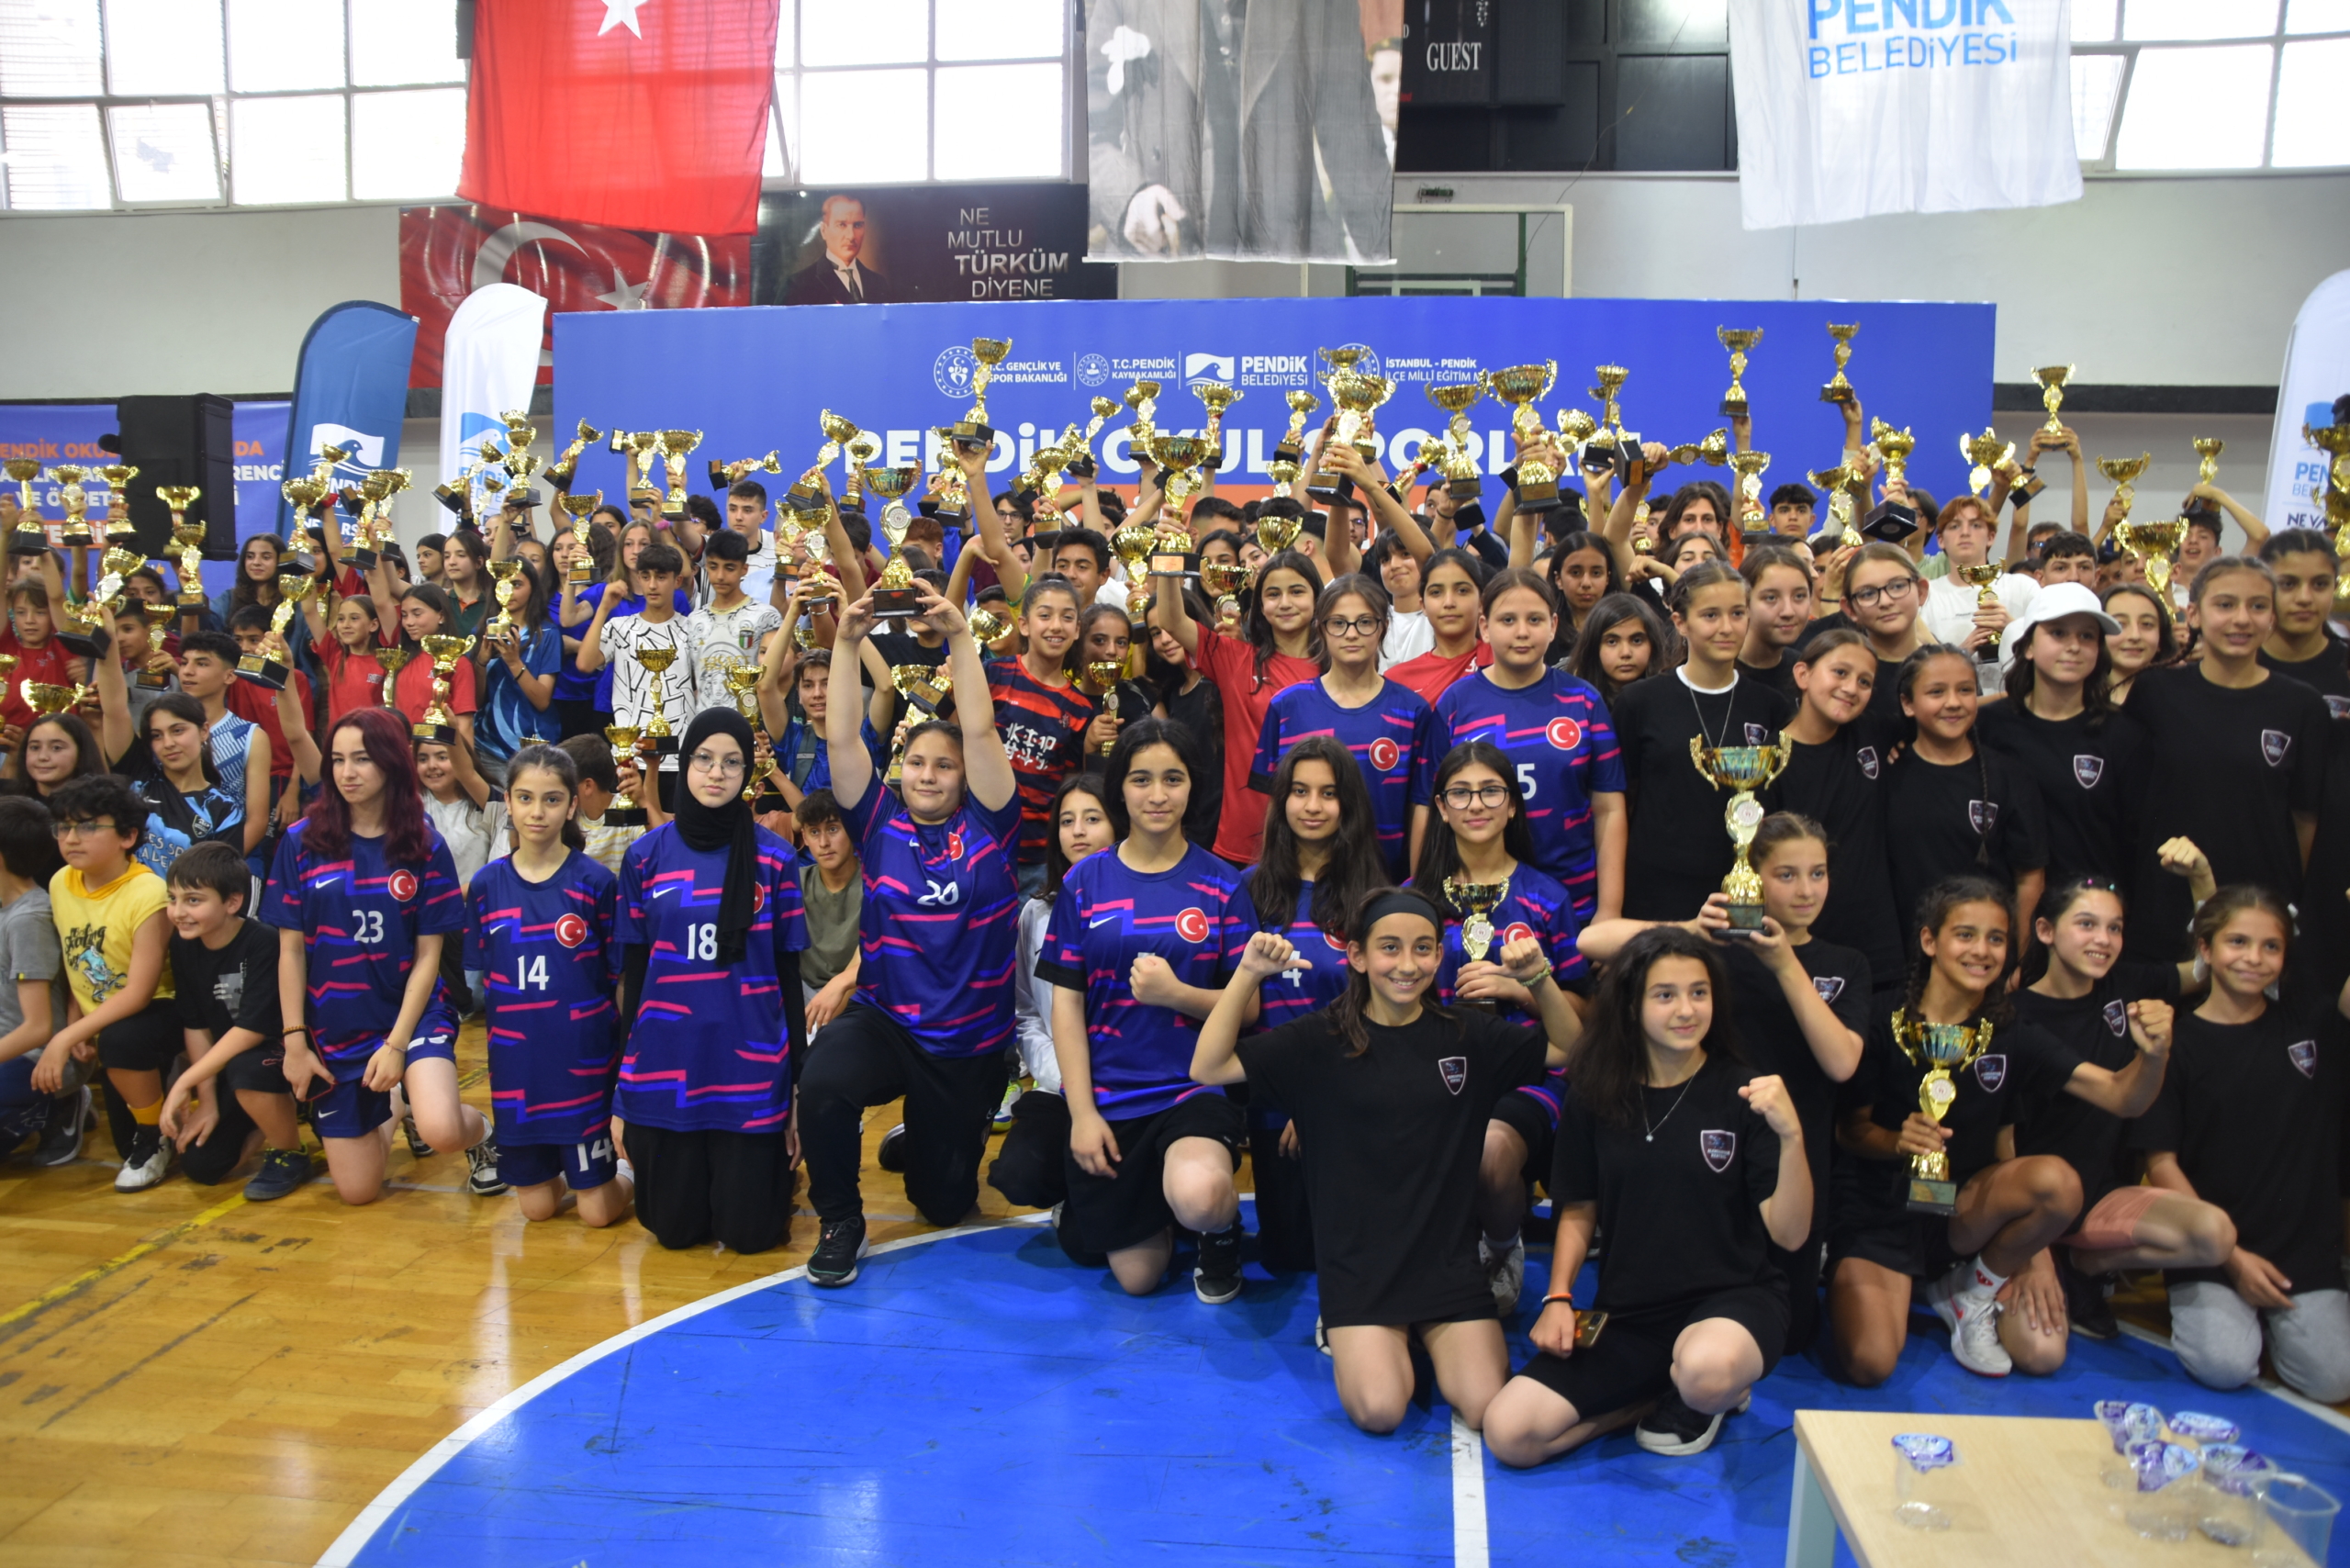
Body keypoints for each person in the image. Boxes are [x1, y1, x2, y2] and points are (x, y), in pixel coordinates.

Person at [1191, 890, 1580, 1433]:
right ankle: (1381, 1334)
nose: (1407, 964)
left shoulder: (1467, 1036)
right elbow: (1208, 1067)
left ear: (1439, 956)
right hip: (1360, 1270)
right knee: (1380, 1411)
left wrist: (1538, 978)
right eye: (1390, 948)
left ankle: (1424, 1331)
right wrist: (1248, 974)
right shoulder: (1318, 1039)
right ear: (1357, 955)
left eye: (1422, 948)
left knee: (1483, 1406)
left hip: (1446, 1263)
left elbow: (1570, 1049)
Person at [1483, 926, 1812, 1465]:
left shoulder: (1744, 1092)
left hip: (1733, 1304)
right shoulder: (1596, 1094)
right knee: (1510, 1433)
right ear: (1632, 1005)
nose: (1686, 1009)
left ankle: (1708, 1391)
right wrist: (1559, 1297)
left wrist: (1793, 1136)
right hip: (1631, 1314)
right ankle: (1658, 1397)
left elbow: (1791, 1235)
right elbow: (1578, 1207)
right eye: (1665, 995)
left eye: (1699, 992)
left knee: (1704, 1370)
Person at [1827, 876, 2169, 1384]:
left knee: (2057, 1193)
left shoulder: (2009, 1029)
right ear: (1930, 941)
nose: (1982, 951)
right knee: (1870, 1363)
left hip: (1962, 1214)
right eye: (1965, 935)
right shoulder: (1882, 1017)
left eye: (1996, 938)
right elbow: (1848, 1131)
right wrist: (1897, 1141)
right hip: (1881, 1214)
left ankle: (1971, 1291)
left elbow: (2122, 1096)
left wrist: (2154, 1054)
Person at [1577, 814, 1869, 1356]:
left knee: (1790, 1333)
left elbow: (1841, 1063)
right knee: (1690, 1304)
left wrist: (1785, 963)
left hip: (1792, 1146)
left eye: (1818, 873)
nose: (1806, 890)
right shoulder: (1713, 951)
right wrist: (1691, 928)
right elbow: (1590, 940)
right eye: (1786, 875)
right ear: (1752, 877)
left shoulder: (1845, 962)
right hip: (1706, 1145)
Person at [799, 584, 1017, 1285]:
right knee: (823, 1081)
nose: (929, 774)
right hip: (889, 1021)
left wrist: (960, 636)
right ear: (901, 769)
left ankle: (924, 1134)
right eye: (918, 762)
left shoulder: (992, 825)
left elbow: (980, 730)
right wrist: (845, 638)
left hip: (967, 1043)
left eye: (944, 765)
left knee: (944, 1206)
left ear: (965, 775)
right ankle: (841, 1220)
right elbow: (841, 736)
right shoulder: (877, 823)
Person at [1038, 717, 1248, 1300]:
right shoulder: (1084, 883)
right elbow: (1066, 1006)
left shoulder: (1223, 885)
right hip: (1112, 1097)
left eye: (1173, 779)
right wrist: (1083, 1112)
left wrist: (1176, 994)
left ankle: (1218, 1230)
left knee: (1201, 1197)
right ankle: (1152, 1205)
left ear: (1192, 787)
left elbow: (1248, 1008)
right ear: (1120, 789)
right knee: (1137, 1280)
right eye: (1141, 779)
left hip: (1192, 1089)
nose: (1158, 795)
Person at [263, 710, 503, 1205]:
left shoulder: (424, 845)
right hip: (335, 1024)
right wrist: (294, 1041)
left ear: (392, 763)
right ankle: (396, 1100)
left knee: (441, 1129)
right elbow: (289, 950)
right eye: (337, 760)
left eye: (362, 759)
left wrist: (396, 1044)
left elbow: (429, 956)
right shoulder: (300, 842)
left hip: (411, 1014)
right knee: (357, 1192)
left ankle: (482, 1135)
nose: (346, 772)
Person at [2132, 886, 2350, 1403]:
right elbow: (2161, 1162)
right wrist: (2231, 1258)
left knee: (2335, 1378)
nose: (2254, 958)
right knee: (2224, 1366)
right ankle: (2234, 1316)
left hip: (2302, 1252)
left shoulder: (2310, 1026)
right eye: (2238, 942)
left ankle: (2282, 1327)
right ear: (2205, 949)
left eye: (2271, 946)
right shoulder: (2176, 1044)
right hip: (2214, 1250)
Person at [611, 705, 806, 1251]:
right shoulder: (645, 857)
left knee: (751, 1235)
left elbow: (788, 974)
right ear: (686, 764)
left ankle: (772, 1177)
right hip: (666, 1063)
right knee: (672, 1231)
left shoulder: (776, 859)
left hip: (749, 1065)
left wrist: (797, 1088)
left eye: (731, 762)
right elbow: (633, 975)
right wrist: (622, 1091)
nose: (716, 773)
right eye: (703, 759)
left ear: (747, 773)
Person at [1410, 738, 1591, 1312]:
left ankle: (1502, 1244)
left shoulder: (1546, 897)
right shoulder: (1415, 900)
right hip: (1434, 1069)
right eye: (1460, 793)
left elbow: (1583, 1015)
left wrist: (1525, 988)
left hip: (1533, 1070)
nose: (1476, 805)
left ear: (1513, 804)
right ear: (1441, 808)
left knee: (1491, 1153)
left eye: (1491, 791)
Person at [2014, 871, 2228, 1339]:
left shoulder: (2127, 984)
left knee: (2214, 1235)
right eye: (2087, 924)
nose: (2103, 939)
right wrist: (2031, 1254)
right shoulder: (2014, 1016)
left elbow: (2207, 966)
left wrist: (2202, 883)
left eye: (2114, 928)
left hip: (2098, 1199)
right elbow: (2001, 1147)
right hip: (2029, 1206)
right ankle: (2045, 1260)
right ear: (2045, 931)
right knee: (2042, 1351)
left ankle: (2084, 1265)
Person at [1223, 737, 1389, 1271]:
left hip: (1351, 1090)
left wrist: (1324, 1099)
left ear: (1349, 805)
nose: (1312, 806)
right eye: (1299, 791)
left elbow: (1385, 1012)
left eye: (1328, 793)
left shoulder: (1375, 895)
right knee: (1288, 1257)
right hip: (1271, 1096)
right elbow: (1236, 1010)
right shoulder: (1246, 890)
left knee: (1350, 1254)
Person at [2120, 557, 2329, 962]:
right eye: (2226, 604)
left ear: (2272, 618)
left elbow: (2305, 818)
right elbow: (2132, 803)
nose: (2242, 619)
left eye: (2258, 606)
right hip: (2167, 896)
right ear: (2194, 613)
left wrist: (2290, 897)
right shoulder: (2155, 692)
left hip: (2259, 903)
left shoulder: (2302, 706)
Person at [464, 743, 632, 1229]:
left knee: (597, 1213)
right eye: (525, 798)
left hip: (582, 1065)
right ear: (508, 802)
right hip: (518, 1069)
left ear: (572, 805)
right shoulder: (485, 886)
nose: (537, 812)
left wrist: (627, 1059)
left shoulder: (595, 883)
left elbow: (619, 979)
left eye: (552, 799)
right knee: (536, 1210)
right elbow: (485, 977)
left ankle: (630, 1172)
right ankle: (555, 1171)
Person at [1428, 570, 1626, 924]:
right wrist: (1425, 900)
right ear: (1484, 627)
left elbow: (1608, 810)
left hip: (1573, 901)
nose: (1522, 632)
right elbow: (1429, 806)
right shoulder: (1455, 703)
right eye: (1508, 620)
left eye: (1534, 620)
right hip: (1475, 902)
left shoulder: (1584, 700)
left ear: (1553, 626)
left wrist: (1609, 911)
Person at [1612, 564, 1796, 920]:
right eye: (1710, 615)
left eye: (1737, 613)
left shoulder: (1771, 706)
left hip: (1745, 888)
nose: (1726, 627)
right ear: (1680, 622)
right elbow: (1619, 803)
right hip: (1658, 890)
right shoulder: (1640, 702)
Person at [30, 774, 180, 1191]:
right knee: (119, 1143)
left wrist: (66, 1037)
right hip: (106, 1019)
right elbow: (74, 961)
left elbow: (140, 993)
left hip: (159, 1011)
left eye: (87, 826)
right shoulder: (61, 882)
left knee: (121, 1038)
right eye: (63, 827)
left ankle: (155, 1134)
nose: (70, 838)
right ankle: (155, 1113)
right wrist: (76, 1018)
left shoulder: (148, 892)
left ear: (127, 836)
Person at [989, 773, 1116, 1215]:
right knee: (1019, 1174)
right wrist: (1064, 1077)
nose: (1078, 831)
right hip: (1061, 1084)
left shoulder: (1146, 909)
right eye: (1066, 820)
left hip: (1131, 1083)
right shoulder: (1036, 913)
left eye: (1093, 818)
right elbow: (1025, 1014)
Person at [1250, 576, 1436, 881]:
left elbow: (1422, 806)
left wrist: (1416, 889)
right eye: (1338, 623)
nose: (1352, 634)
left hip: (1385, 880)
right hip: (1303, 883)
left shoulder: (1413, 711)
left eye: (1365, 622)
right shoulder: (1287, 706)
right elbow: (1275, 803)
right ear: (1320, 629)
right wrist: (1272, 879)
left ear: (1383, 627)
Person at [154, 840, 307, 1201]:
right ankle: (263, 1118)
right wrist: (206, 1099)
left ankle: (290, 1151)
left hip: (278, 1052)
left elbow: (252, 1030)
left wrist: (184, 1082)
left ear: (233, 902)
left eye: (193, 900)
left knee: (247, 1068)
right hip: (230, 1061)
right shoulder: (183, 944)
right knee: (202, 1166)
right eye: (173, 899)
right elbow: (196, 1026)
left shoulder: (263, 941)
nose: (178, 912)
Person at [1151, 548, 1324, 868]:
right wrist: (1169, 554)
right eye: (1273, 594)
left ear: (1317, 599)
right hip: (1243, 843)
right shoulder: (1235, 659)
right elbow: (1172, 621)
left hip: (1318, 837)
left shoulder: (1336, 668)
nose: (1285, 603)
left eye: (1297, 591)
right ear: (1259, 605)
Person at [1978, 583, 2143, 890]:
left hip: (2091, 905)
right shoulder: (1988, 726)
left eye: (2087, 636)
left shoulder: (2121, 734)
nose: (2074, 646)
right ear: (2028, 646)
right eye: (2058, 633)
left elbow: (2134, 838)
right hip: (2005, 902)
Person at [1883, 644, 2047, 941]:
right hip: (1905, 946)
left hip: (1983, 948)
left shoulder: (2009, 776)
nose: (1953, 703)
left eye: (1965, 690)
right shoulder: (1887, 773)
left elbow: (2029, 877)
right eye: (1936, 692)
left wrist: (2020, 955)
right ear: (1908, 703)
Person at [1774, 630, 1905, 997]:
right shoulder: (1768, 760)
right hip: (1803, 942)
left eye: (1865, 681)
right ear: (1803, 674)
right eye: (1840, 672)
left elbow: (1941, 707)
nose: (1851, 688)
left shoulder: (1874, 732)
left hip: (1876, 942)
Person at [2255, 529, 2350, 997]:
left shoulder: (2345, 669)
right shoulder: (2238, 665)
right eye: (2288, 583)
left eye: (2320, 584)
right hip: (2257, 855)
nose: (2305, 597)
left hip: (2336, 868)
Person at [985, 578, 1093, 895]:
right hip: (981, 840)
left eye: (1067, 617)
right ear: (1024, 625)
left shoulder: (1080, 709)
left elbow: (1068, 785)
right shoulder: (994, 675)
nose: (1056, 626)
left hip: (1037, 856)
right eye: (1045, 615)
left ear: (1077, 629)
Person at [580, 543, 698, 807]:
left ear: (677, 581)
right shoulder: (620, 627)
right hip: (630, 755)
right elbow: (585, 663)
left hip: (680, 755)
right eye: (646, 576)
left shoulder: (692, 629)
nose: (652, 585)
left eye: (661, 577)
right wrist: (603, 608)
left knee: (672, 829)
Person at [116, 693, 251, 879]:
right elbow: (114, 709)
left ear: (204, 731)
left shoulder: (224, 811)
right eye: (157, 736)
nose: (168, 743)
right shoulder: (139, 777)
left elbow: (220, 883)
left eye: (177, 731)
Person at [475, 558, 561, 787]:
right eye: (503, 585)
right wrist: (481, 662)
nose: (508, 591)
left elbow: (542, 700)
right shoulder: (483, 631)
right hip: (488, 747)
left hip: (532, 749)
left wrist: (513, 661)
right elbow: (475, 701)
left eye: (517, 584)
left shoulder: (547, 635)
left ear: (533, 588)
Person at [792, 789, 862, 1033]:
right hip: (802, 993)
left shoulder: (876, 883)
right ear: (804, 837)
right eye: (814, 832)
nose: (823, 843)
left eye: (833, 829)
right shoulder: (793, 883)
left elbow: (874, 961)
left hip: (857, 996)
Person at [1382, 547, 1490, 704]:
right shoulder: (1396, 681)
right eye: (1436, 592)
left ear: (1481, 602)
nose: (1449, 603)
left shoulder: (1502, 660)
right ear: (1423, 605)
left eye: (1462, 590)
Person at [1736, 543, 1815, 703]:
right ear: (1744, 602)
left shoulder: (1806, 672)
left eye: (1799, 596)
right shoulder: (1717, 671)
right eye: (1771, 598)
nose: (1788, 612)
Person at [1564, 592, 1671, 709]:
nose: (1625, 653)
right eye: (1612, 642)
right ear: (1594, 646)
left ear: (1653, 644)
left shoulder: (1670, 697)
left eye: (1637, 641)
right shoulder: (1569, 700)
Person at [783, 193, 890, 304]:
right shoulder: (798, 285)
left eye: (857, 225)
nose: (851, 236)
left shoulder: (879, 283)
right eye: (841, 225)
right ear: (824, 230)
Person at [2100, 580, 2177, 705]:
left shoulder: (2181, 697)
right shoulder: (2078, 700)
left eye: (2147, 624)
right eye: (2120, 624)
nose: (2135, 636)